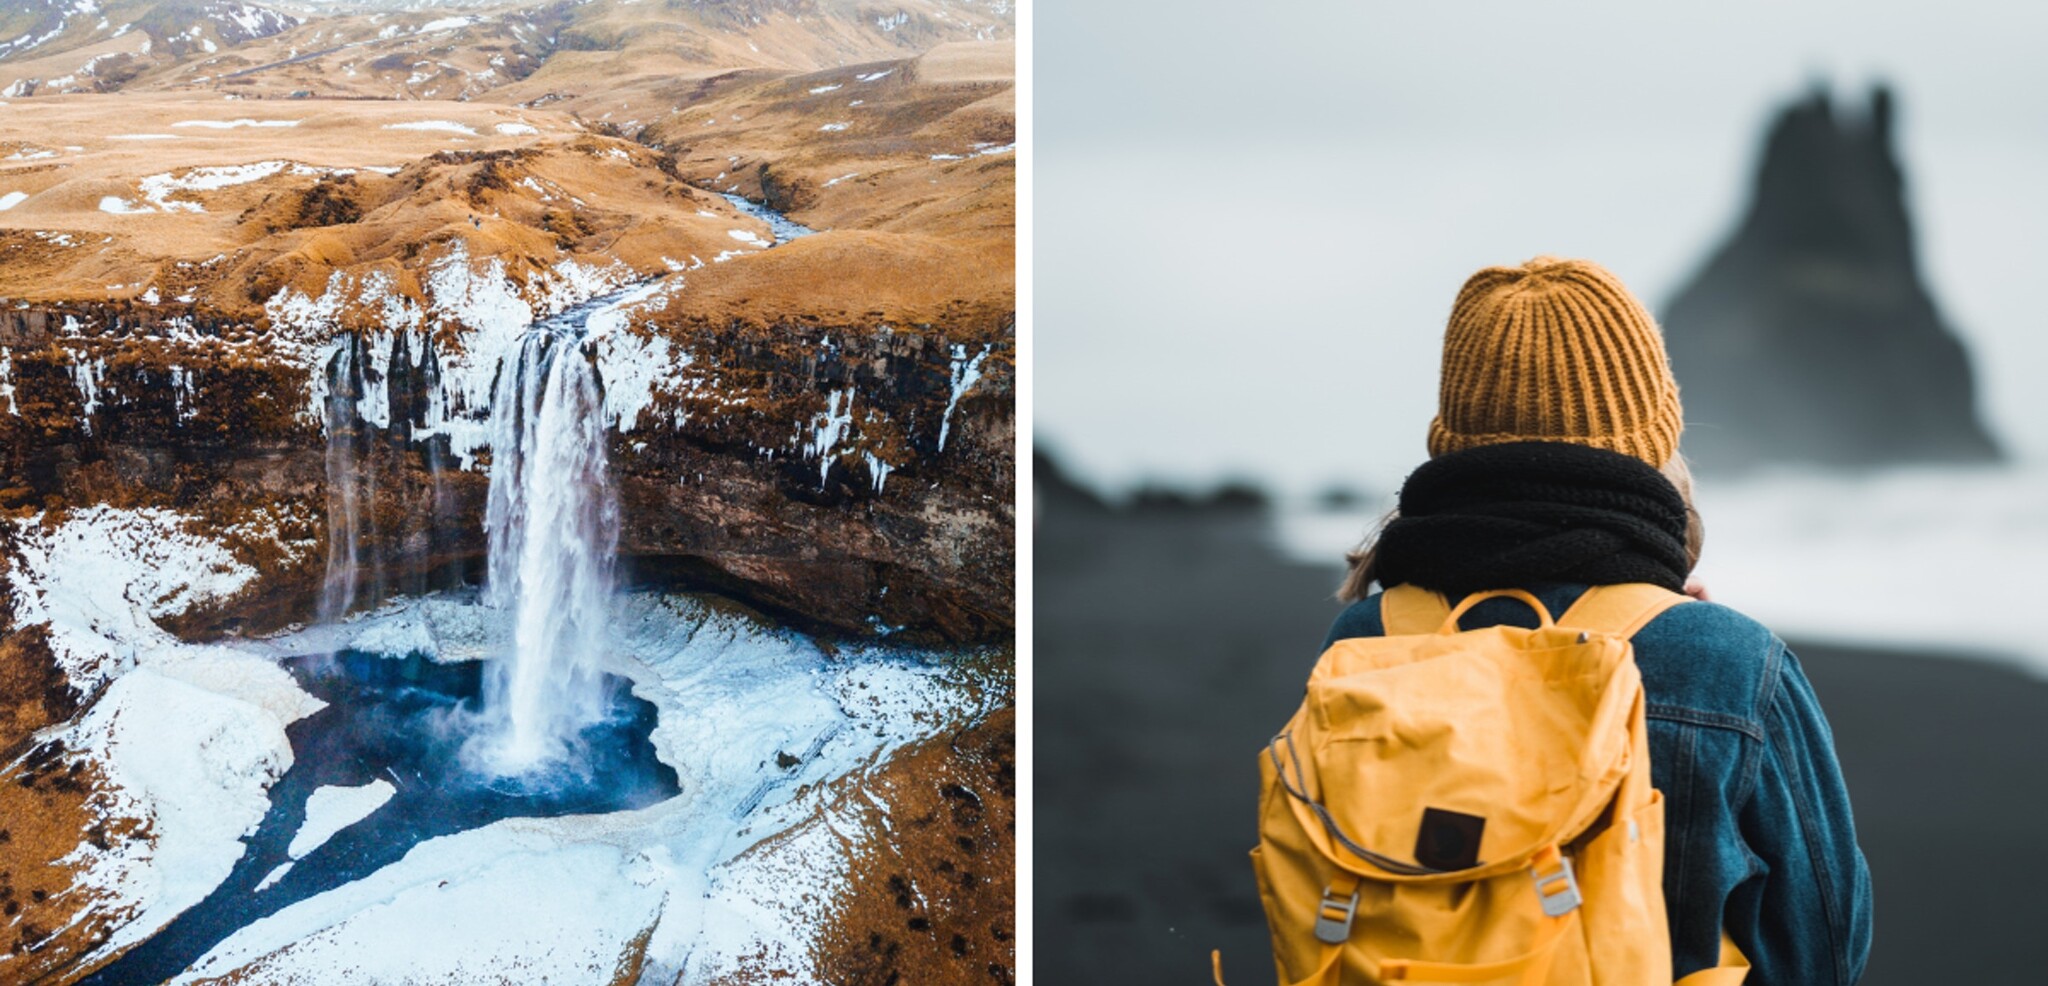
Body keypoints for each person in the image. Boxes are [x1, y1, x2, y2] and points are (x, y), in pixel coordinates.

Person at [1324, 257, 1873, 984]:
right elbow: (1822, 950)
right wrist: (1689, 650)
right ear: (1653, 440)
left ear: (1453, 438)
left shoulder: (1364, 641)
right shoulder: (1733, 664)